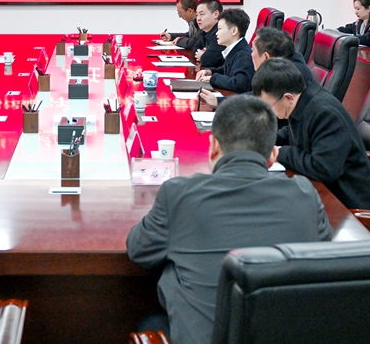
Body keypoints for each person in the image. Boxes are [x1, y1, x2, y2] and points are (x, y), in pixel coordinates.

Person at [126, 95, 332, 344]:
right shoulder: (305, 193)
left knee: (151, 323)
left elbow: (139, 249)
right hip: (281, 334)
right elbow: (323, 253)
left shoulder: (179, 194)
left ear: (213, 145)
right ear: (273, 156)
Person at [252, 58, 370, 212]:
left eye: (269, 106)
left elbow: (323, 168)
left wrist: (281, 152)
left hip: (350, 206)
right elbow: (294, 131)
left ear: (288, 97)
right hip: (322, 194)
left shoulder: (326, 114)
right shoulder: (301, 101)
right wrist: (266, 140)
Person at [198, 26, 313, 109]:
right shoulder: (289, 62)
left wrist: (220, 102)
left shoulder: (286, 76)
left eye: (253, 50)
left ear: (266, 56)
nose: (250, 55)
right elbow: (256, 95)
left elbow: (257, 99)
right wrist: (219, 101)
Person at [195, 8, 254, 94]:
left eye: (220, 29)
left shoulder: (244, 55)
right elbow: (226, 69)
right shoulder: (236, 49)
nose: (216, 33)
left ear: (234, 31)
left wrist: (213, 78)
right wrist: (209, 71)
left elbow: (239, 84)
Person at [188, 0, 224, 68]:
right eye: (197, 15)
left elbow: (209, 60)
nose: (198, 19)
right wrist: (204, 54)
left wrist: (204, 55)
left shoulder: (220, 33)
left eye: (202, 14)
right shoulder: (204, 31)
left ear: (216, 14)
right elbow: (195, 49)